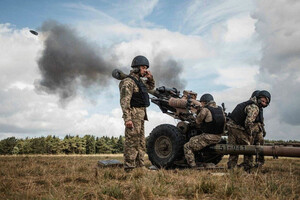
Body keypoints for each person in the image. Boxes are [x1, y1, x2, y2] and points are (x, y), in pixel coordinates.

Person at [119, 55, 155, 172]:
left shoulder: (139, 82)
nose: (145, 70)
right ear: (136, 68)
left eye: (146, 68)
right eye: (143, 68)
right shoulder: (128, 82)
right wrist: (127, 119)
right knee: (131, 142)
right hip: (133, 115)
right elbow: (125, 101)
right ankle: (129, 168)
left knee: (140, 142)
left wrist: (150, 78)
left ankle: (140, 166)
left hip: (141, 115)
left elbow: (150, 87)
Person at [227, 90, 271, 171]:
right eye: (263, 100)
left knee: (233, 148)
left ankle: (232, 167)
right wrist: (249, 134)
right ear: (258, 98)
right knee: (248, 147)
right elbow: (248, 122)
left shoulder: (248, 104)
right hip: (237, 128)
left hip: (231, 127)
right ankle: (248, 166)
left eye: (266, 102)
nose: (264, 103)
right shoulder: (254, 107)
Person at [184, 93, 226, 168]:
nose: (201, 104)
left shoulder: (206, 110)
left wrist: (196, 113)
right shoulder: (220, 109)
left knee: (187, 146)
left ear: (204, 102)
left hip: (208, 137)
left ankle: (193, 166)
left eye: (202, 103)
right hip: (219, 137)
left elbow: (197, 121)